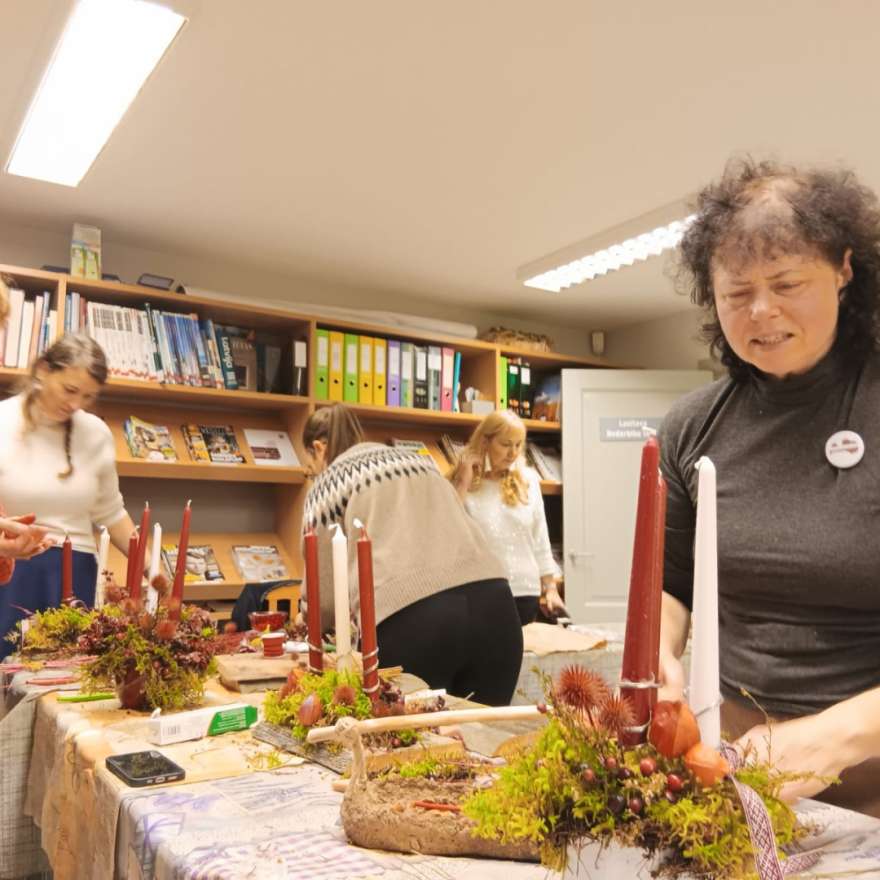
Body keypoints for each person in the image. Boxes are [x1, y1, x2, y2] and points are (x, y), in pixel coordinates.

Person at [657, 158, 880, 817]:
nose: (761, 311)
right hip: (736, 770)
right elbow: (672, 583)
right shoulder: (692, 427)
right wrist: (659, 655)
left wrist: (833, 737)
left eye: (787, 283)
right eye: (736, 293)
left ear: (843, 271)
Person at [301, 404, 523, 706]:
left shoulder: (327, 485)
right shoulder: (420, 461)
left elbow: (323, 603)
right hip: (497, 609)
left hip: (413, 625)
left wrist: (306, 617)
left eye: (309, 466)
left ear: (318, 448)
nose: (312, 473)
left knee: (407, 734)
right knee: (487, 733)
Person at [0, 333, 136, 658]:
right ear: (43, 370)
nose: (75, 404)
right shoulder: (3, 421)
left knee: (70, 675)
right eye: (70, 390)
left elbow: (112, 513)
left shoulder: (96, 433)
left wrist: (153, 569)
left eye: (88, 396)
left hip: (76, 574)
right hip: (11, 571)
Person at [448, 410, 565, 625]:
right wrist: (463, 482)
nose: (513, 453)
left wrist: (550, 588)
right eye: (505, 444)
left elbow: (540, 538)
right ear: (485, 442)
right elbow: (448, 531)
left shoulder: (528, 480)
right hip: (479, 591)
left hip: (525, 591)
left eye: (518, 445)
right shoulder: (463, 482)